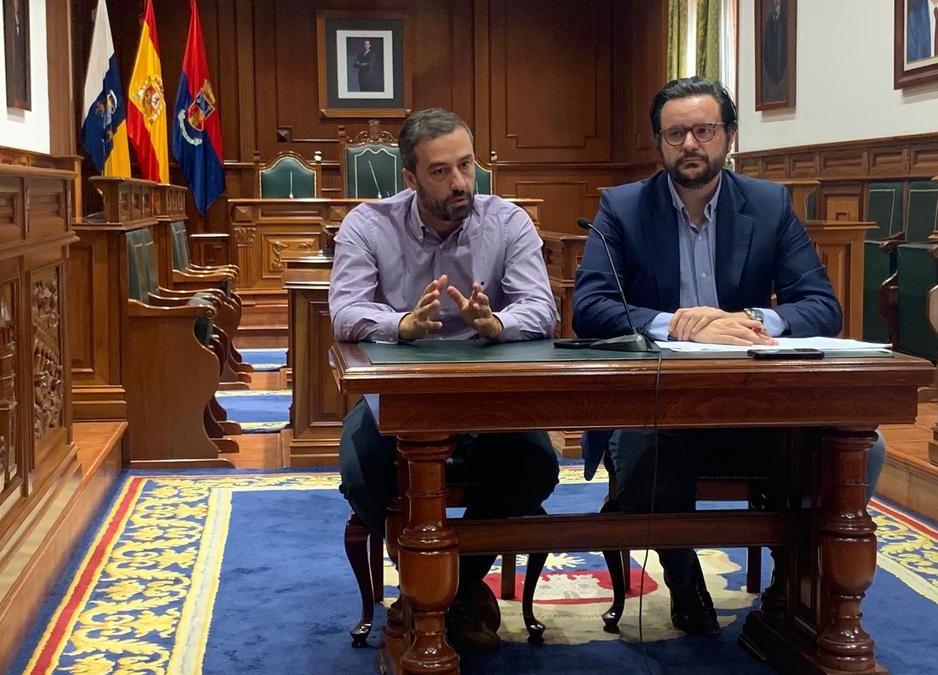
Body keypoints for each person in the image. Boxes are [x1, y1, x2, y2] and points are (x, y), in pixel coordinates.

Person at [572, 77, 887, 637]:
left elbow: (821, 305)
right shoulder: (621, 207)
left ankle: (792, 589)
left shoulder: (767, 205)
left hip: (754, 403)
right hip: (660, 403)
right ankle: (682, 573)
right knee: (641, 452)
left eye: (703, 130)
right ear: (660, 143)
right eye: (675, 133)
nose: (690, 143)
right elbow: (591, 308)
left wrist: (751, 324)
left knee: (858, 448)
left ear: (729, 137)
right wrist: (682, 324)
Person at [329, 107, 560, 651]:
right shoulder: (368, 223)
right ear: (409, 178)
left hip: (491, 398)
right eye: (440, 171)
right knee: (364, 475)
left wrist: (496, 323)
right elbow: (344, 311)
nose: (460, 183)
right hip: (400, 398)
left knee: (534, 467)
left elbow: (542, 309)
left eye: (466, 165)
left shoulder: (508, 221)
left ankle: (450, 588)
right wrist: (401, 325)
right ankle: (435, 590)